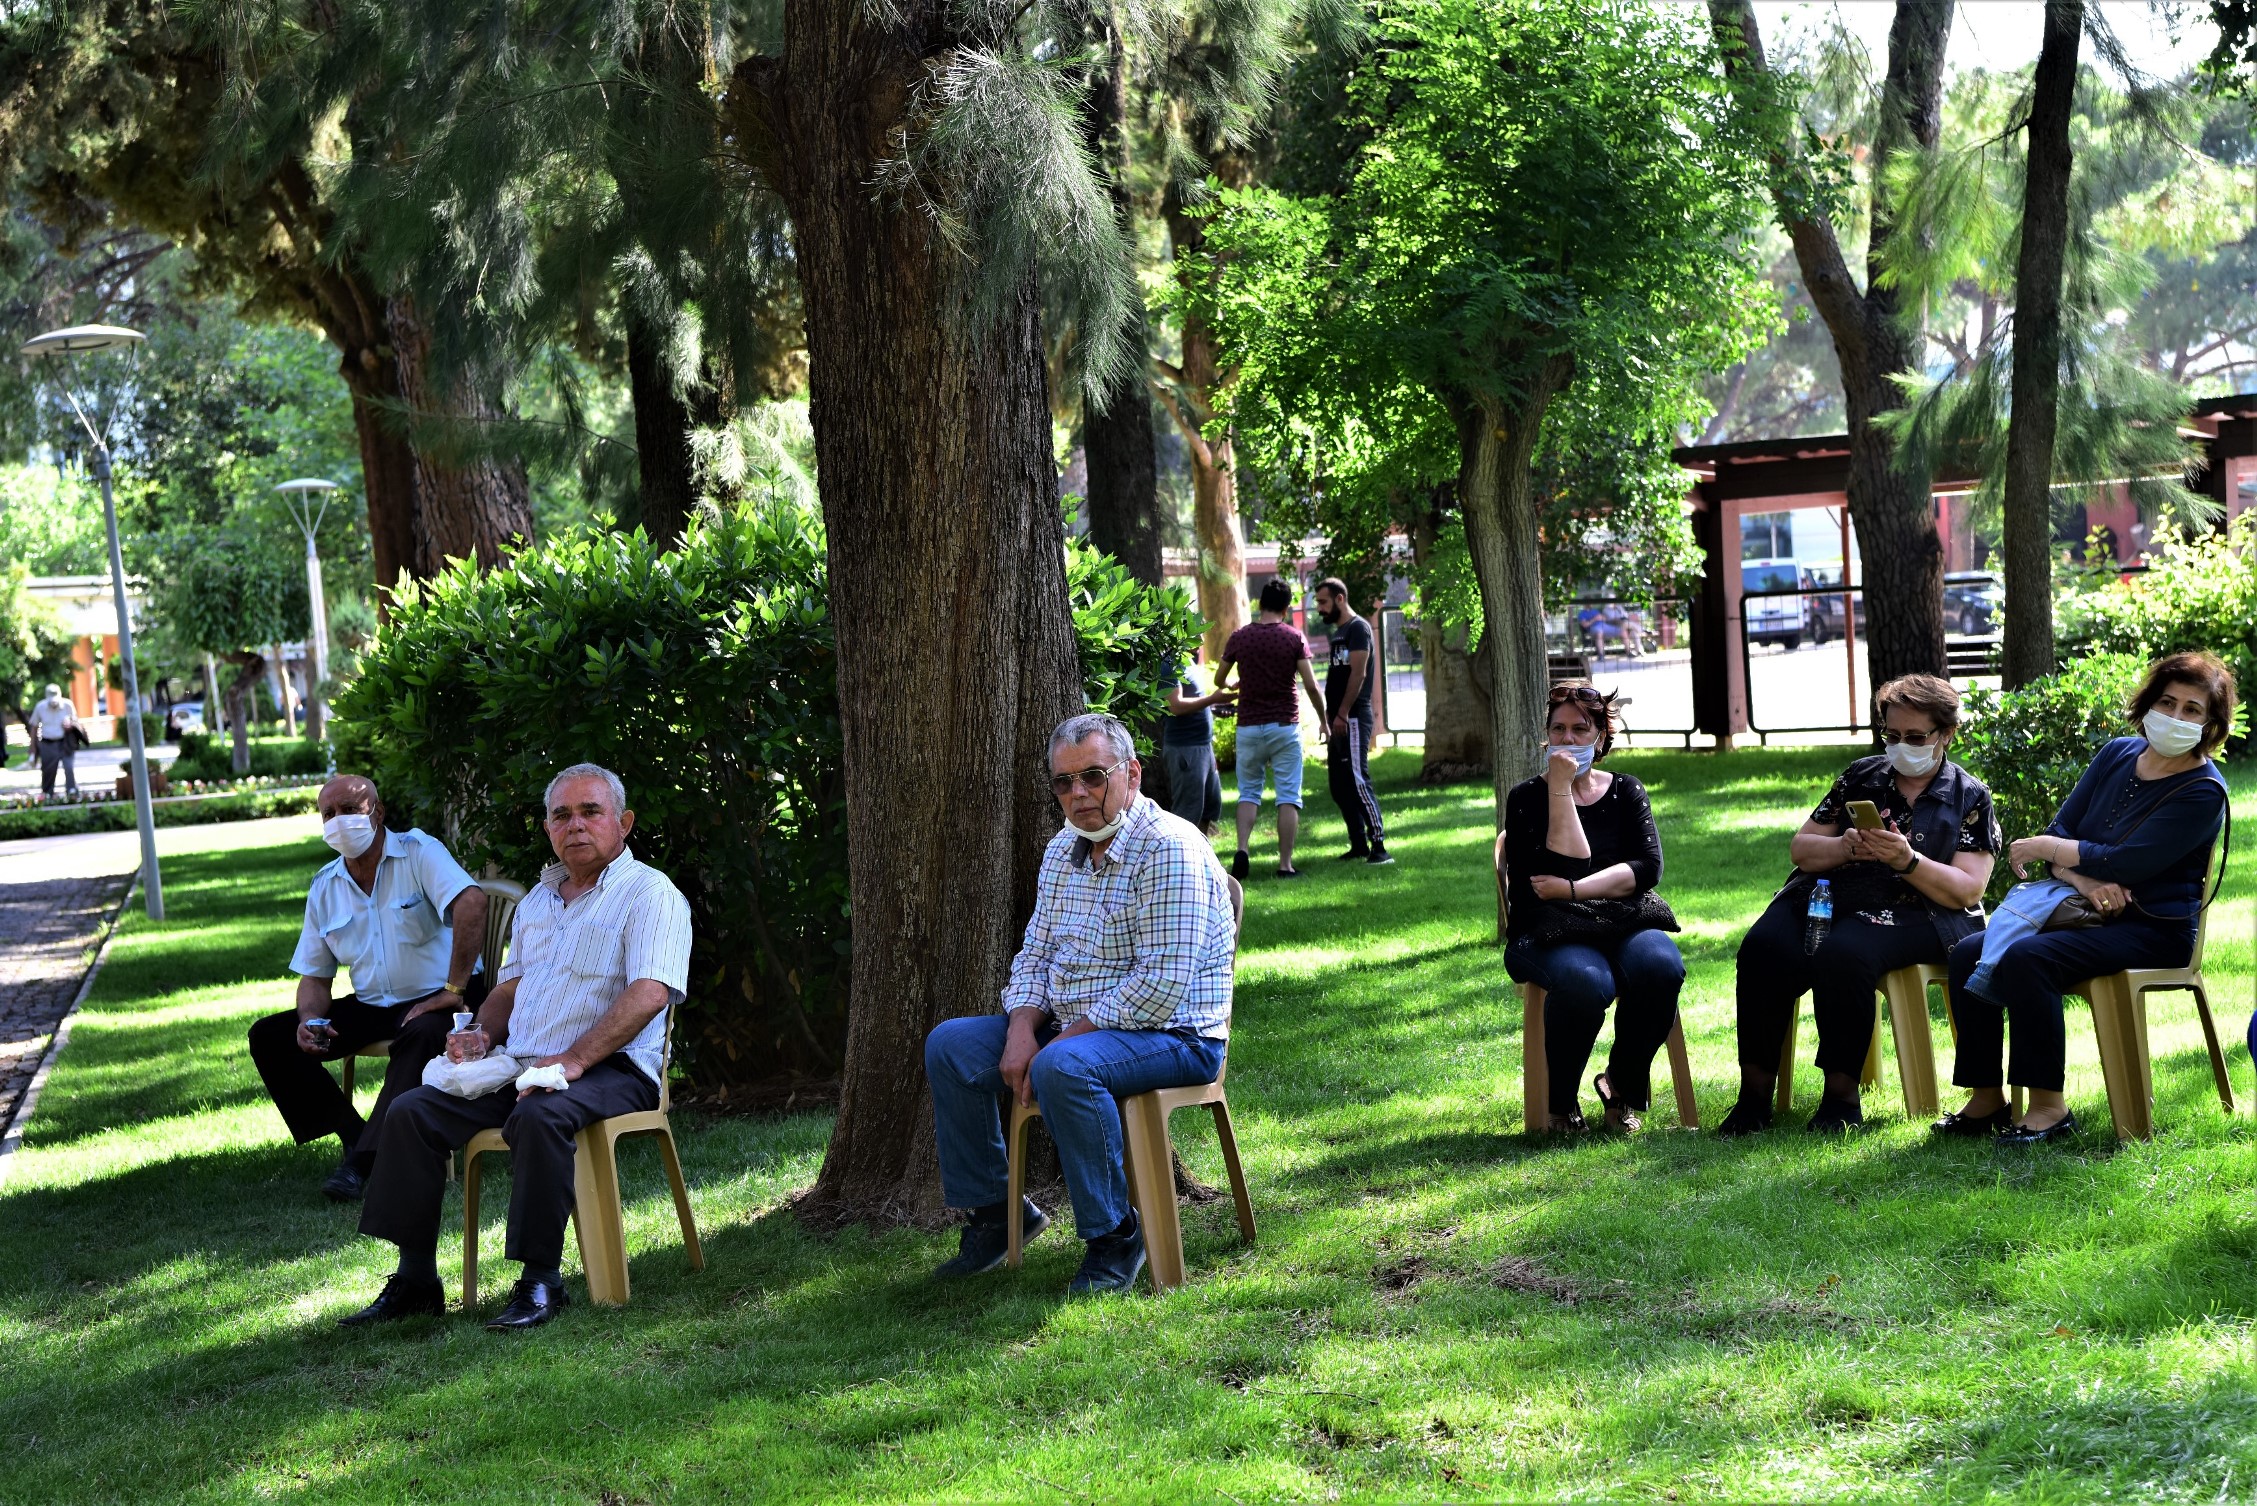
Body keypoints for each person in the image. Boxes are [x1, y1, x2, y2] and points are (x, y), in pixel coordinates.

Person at [343, 763, 692, 1330]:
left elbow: (650, 993)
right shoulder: (537, 901)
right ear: (549, 829)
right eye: (562, 815)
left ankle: (540, 1281)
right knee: (411, 1111)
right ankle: (414, 1280)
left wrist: (574, 1060)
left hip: (615, 1067)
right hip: (523, 1064)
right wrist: (481, 1034)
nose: (575, 825)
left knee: (538, 1114)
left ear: (623, 823)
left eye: (590, 812)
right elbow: (509, 986)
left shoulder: (651, 894)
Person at [923, 713, 1237, 1294]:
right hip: (1078, 1031)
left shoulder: (1170, 848)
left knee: (1063, 1064)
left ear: (1132, 774)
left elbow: (1160, 987)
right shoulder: (1062, 851)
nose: (1079, 794)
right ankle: (998, 1214)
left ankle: (1116, 1237)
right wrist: (1021, 1029)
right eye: (1064, 783)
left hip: (1175, 1035)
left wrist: (1060, 1042)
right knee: (950, 1046)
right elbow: (1034, 957)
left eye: (1093, 776)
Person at [1938, 653, 2232, 1146]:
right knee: (1970, 952)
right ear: (2149, 703)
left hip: (2152, 931)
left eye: (2192, 710)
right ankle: (1987, 1098)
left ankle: (2049, 1108)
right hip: (2082, 912)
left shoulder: (2204, 791)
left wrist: (2051, 852)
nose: (2177, 717)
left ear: (2210, 723)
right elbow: (2065, 830)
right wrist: (2085, 881)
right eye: (2168, 702)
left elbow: (2127, 863)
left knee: (2030, 957)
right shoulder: (2117, 753)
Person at [1717, 675, 1999, 1136]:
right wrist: (1847, 847)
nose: (1901, 746)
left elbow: (1967, 890)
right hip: (1831, 896)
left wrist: (1908, 860)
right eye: (1892, 735)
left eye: (1914, 737)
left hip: (1918, 911)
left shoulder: (1968, 797)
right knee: (1762, 947)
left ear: (1946, 735)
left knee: (1843, 954)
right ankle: (1753, 1097)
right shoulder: (1861, 776)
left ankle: (1841, 1097)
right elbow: (1802, 849)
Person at [249, 775, 491, 1200]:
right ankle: (355, 1134)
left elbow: (472, 902)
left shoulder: (418, 852)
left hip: (445, 995)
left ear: (377, 813)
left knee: (417, 1036)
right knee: (270, 1037)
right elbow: (315, 974)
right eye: (328, 814)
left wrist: (454, 989)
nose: (338, 821)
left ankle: (362, 1163)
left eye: (349, 809)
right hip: (375, 1004)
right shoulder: (326, 885)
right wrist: (310, 1019)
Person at [1501, 683, 1684, 1132]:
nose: (1567, 740)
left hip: (1621, 919)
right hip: (1546, 929)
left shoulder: (1627, 791)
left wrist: (1573, 890)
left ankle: (1620, 1085)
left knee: (1660, 967)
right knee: (1586, 982)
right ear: (1546, 736)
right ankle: (1560, 1103)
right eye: (1557, 730)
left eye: (1580, 729)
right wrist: (1560, 788)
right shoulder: (1526, 797)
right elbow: (1572, 861)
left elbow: (1646, 869)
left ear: (1601, 737)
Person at [1216, 577, 1326, 881]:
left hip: (1249, 725)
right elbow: (1311, 686)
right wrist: (1324, 720)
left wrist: (1231, 684)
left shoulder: (1241, 637)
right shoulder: (1293, 638)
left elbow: (1219, 679)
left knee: (1248, 792)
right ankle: (1285, 864)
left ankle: (1242, 849)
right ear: (1287, 607)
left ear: (1260, 604)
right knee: (1288, 795)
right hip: (1283, 725)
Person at [1314, 578, 1390, 866]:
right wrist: (1329, 718)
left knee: (1358, 780)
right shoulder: (1339, 633)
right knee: (1339, 785)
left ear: (1340, 599)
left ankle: (1379, 846)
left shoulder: (1358, 628)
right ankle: (1358, 844)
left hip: (1354, 717)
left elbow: (1358, 675)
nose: (1320, 608)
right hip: (1338, 720)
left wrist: (1343, 713)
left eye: (1323, 602)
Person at [1161, 653, 1234, 835]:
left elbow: (1193, 700)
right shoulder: (1169, 664)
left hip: (1203, 746)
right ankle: (1180, 859)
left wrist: (1214, 708)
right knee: (1187, 814)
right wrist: (1212, 699)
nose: (1201, 636)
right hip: (1185, 748)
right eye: (1197, 626)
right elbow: (1175, 706)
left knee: (1209, 808)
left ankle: (1199, 860)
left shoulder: (1189, 661)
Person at [29, 683, 80, 797]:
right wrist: (33, 747)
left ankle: (72, 792)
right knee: (48, 770)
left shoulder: (67, 705)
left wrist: (70, 725)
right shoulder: (40, 707)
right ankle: (47, 794)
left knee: (69, 767)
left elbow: (76, 721)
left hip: (65, 742)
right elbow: (34, 726)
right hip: (48, 743)